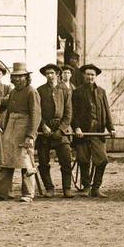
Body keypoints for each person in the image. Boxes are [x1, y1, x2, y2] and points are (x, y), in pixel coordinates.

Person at [72, 63, 115, 198]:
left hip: (98, 132)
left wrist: (111, 128)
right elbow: (72, 112)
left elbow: (107, 111)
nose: (90, 77)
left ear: (95, 77)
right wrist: (76, 127)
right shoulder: (77, 92)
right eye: (87, 74)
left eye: (92, 75)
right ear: (83, 76)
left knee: (102, 160)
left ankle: (96, 188)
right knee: (83, 159)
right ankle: (86, 187)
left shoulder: (101, 92)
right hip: (82, 133)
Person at [0, 63, 40, 202]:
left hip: (24, 127)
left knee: (26, 160)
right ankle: (2, 191)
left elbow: (35, 115)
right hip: (11, 127)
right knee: (6, 159)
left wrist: (30, 135)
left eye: (21, 76)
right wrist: (5, 127)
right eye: (15, 76)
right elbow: (8, 110)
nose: (18, 79)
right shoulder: (14, 92)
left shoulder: (31, 91)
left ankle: (28, 193)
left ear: (26, 77)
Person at [36, 64, 74, 197]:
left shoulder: (65, 90)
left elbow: (69, 113)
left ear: (58, 74)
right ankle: (49, 188)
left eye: (52, 73)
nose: (50, 76)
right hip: (45, 130)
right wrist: (43, 126)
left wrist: (61, 129)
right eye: (47, 74)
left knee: (66, 160)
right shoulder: (39, 91)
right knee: (43, 161)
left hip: (61, 130)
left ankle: (67, 188)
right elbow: (37, 111)